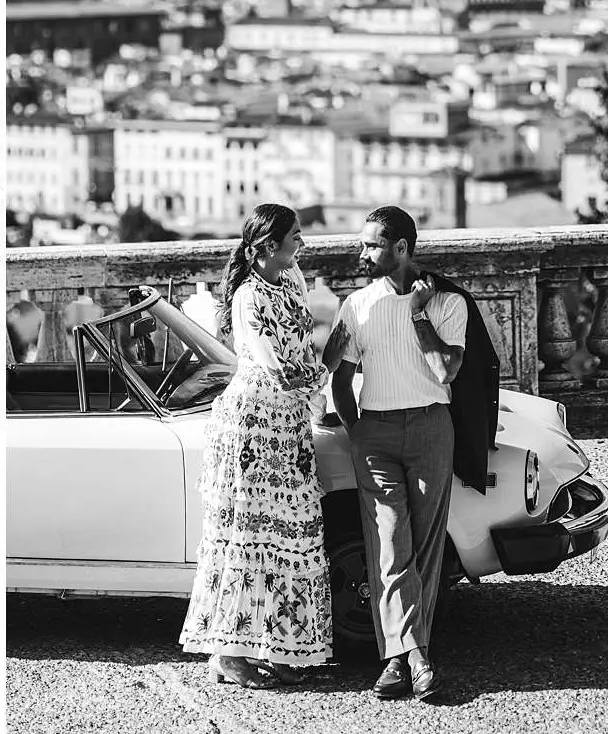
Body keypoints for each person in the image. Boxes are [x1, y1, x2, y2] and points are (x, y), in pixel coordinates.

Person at [179, 204, 336, 689]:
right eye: (295, 237)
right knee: (247, 540)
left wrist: (316, 378)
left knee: (290, 540)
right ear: (267, 244)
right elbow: (280, 369)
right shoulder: (249, 298)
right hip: (251, 426)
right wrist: (333, 369)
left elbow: (301, 350)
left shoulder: (293, 280)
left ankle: (283, 648)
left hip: (286, 424)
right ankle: (229, 655)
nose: (302, 244)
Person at [328, 206, 467, 702]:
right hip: (376, 435)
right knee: (388, 542)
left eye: (371, 245)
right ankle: (413, 658)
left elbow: (444, 370)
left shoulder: (448, 303)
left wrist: (416, 313)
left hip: (431, 427)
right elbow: (338, 376)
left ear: (402, 248)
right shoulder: (356, 305)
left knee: (425, 549)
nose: (361, 253)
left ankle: (401, 658)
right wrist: (356, 430)